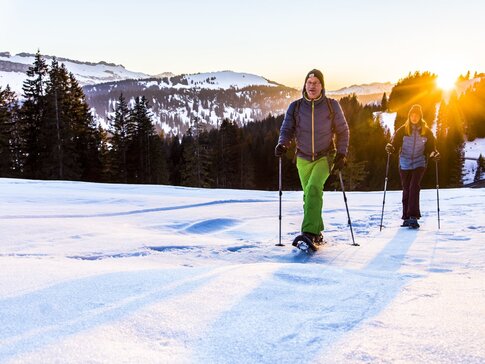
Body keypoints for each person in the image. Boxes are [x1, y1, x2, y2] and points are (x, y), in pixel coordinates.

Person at [275, 69, 349, 244]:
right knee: (309, 194)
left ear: (322, 86)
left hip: (325, 156)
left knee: (314, 187)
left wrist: (341, 153)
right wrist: (282, 143)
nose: (312, 86)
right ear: (305, 85)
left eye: (316, 83)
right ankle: (317, 232)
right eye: (309, 83)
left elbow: (343, 131)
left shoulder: (332, 105)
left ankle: (308, 233)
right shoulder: (296, 106)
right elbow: (287, 129)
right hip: (303, 157)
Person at [385, 104, 440, 228]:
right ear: (409, 116)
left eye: (417, 115)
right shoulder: (403, 130)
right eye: (412, 115)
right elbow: (394, 144)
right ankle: (406, 217)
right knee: (406, 189)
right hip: (404, 163)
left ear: (420, 117)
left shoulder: (426, 132)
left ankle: (413, 216)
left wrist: (434, 154)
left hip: (419, 163)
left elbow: (431, 149)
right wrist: (391, 148)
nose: (414, 117)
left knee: (414, 186)